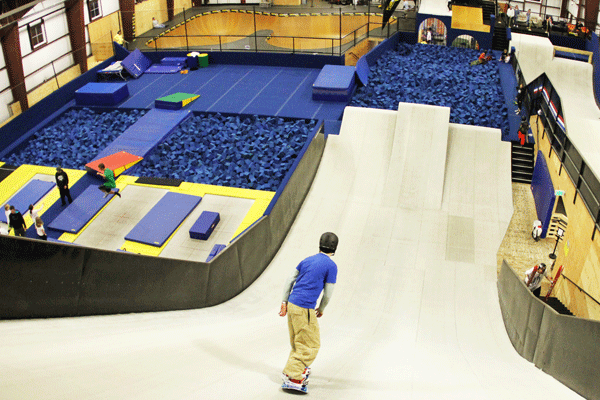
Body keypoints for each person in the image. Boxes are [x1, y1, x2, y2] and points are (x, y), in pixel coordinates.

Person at [279, 232, 339, 392]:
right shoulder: (331, 266)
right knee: (310, 344)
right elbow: (328, 292)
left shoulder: (306, 260)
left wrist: (284, 302)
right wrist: (322, 308)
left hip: (292, 303)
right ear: (334, 248)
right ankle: (293, 376)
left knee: (299, 339)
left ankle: (295, 369)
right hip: (304, 307)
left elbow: (290, 280)